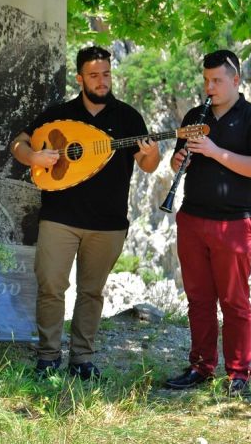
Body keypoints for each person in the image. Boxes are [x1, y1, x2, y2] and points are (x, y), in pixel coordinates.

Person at [10, 45, 160, 380]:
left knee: (91, 292)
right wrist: (33, 158)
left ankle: (81, 360)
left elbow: (148, 166)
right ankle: (48, 358)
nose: (102, 81)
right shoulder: (59, 115)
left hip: (107, 224)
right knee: (51, 285)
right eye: (94, 75)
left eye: (106, 74)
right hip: (60, 218)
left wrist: (153, 154)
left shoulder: (128, 118)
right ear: (80, 78)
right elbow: (19, 143)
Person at [164, 50, 251, 396]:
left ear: (235, 80)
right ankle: (201, 367)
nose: (209, 87)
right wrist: (180, 159)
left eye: (217, 81)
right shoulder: (196, 115)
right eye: (206, 80)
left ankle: (238, 372)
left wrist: (214, 151)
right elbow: (174, 162)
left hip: (234, 223)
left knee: (234, 299)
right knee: (198, 298)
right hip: (193, 218)